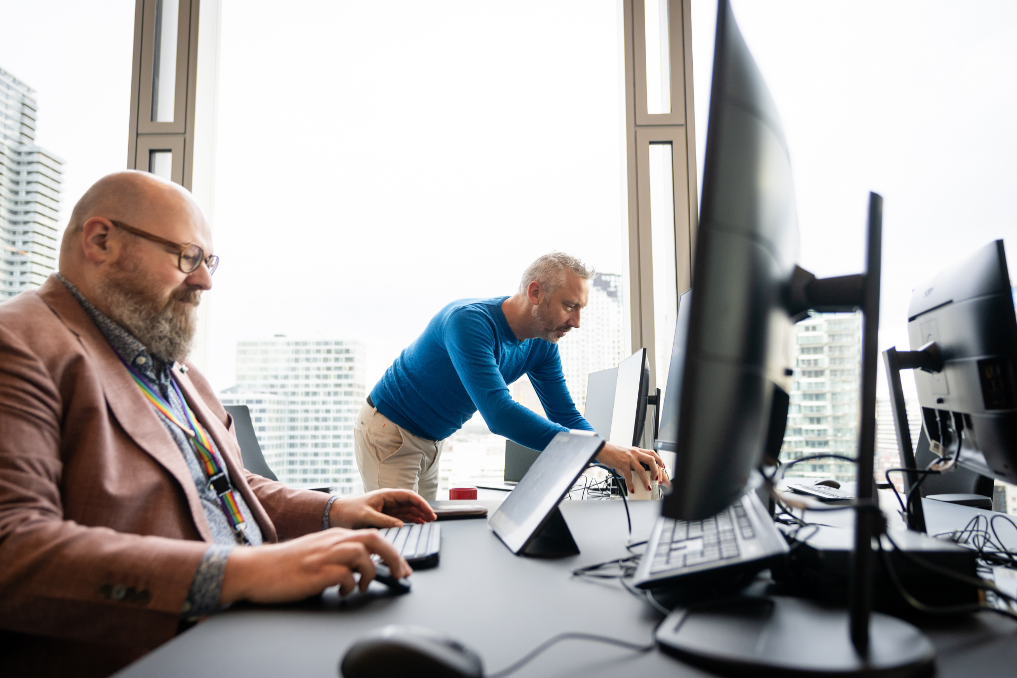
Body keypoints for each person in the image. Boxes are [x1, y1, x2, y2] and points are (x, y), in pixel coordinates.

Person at [0, 171, 437, 678]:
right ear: (101, 241)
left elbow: (228, 485)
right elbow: (14, 549)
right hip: (158, 650)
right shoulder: (21, 347)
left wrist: (334, 511)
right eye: (187, 257)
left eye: (208, 262)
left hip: (249, 625)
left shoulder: (175, 370)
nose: (204, 281)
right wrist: (245, 572)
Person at [355, 252, 665, 500]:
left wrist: (618, 454)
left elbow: (566, 415)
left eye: (581, 308)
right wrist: (602, 452)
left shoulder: (542, 346)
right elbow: (499, 414)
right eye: (570, 306)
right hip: (391, 432)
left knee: (422, 535)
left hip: (431, 439)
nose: (577, 321)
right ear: (535, 292)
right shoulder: (468, 323)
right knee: (399, 541)